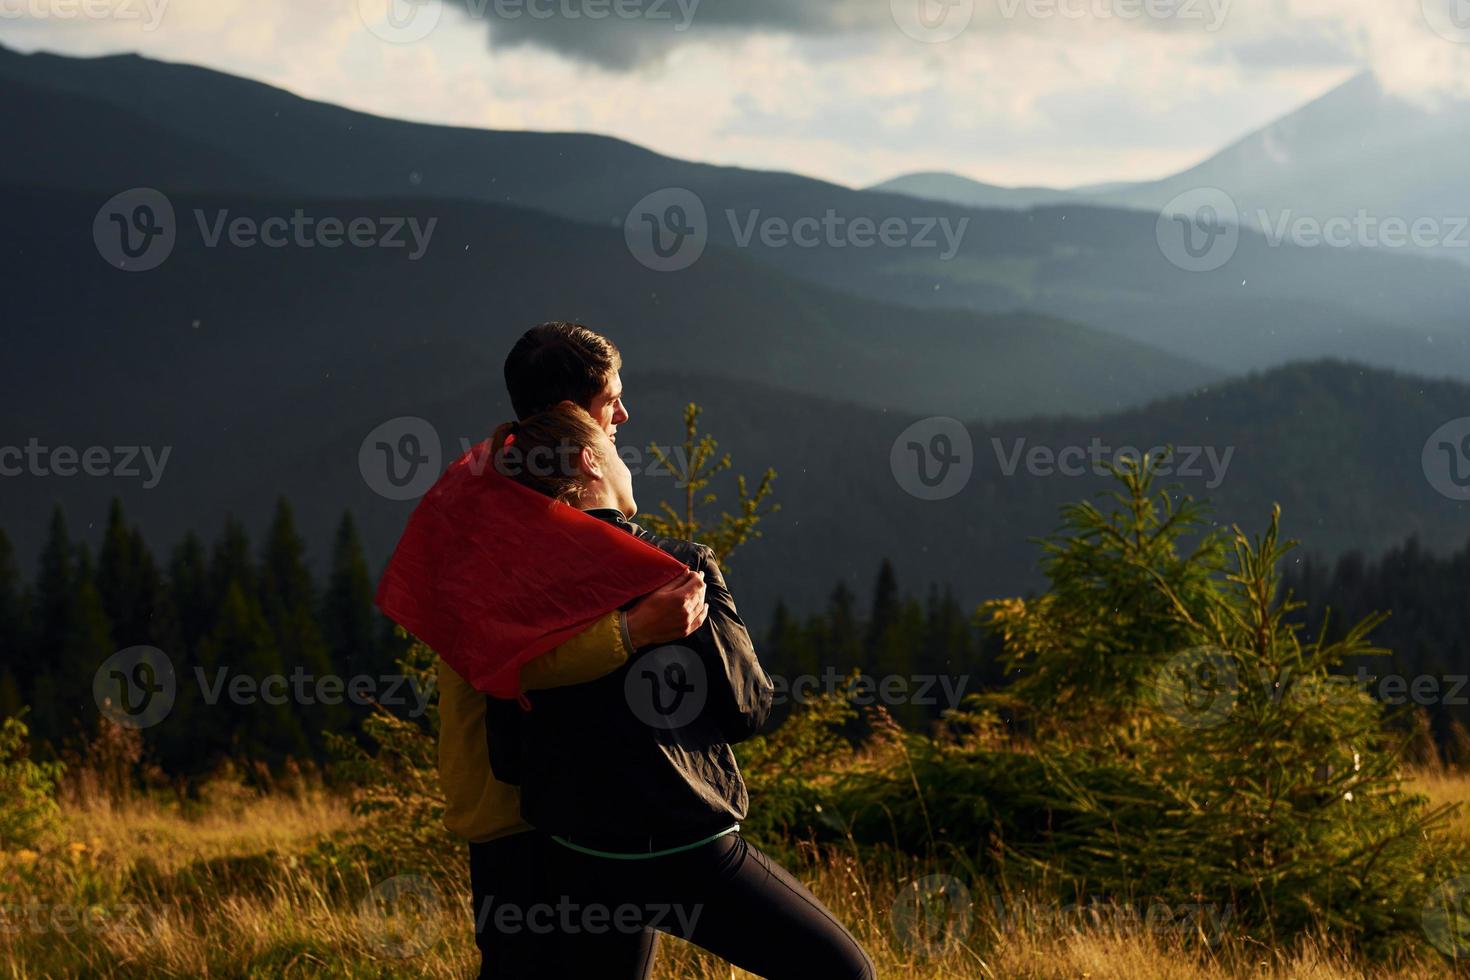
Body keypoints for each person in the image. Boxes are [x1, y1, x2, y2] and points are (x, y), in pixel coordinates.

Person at [485, 401, 876, 980]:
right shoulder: (680, 567)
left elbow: (509, 756)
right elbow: (747, 708)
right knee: (844, 972)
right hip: (690, 852)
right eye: (615, 449)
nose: (627, 460)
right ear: (591, 462)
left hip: (581, 860)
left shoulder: (510, 593)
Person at [433, 322, 709, 977]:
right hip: (518, 813)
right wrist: (636, 631)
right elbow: (504, 660)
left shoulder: (501, 482)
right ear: (569, 412)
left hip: (573, 804)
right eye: (611, 398)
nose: (623, 413)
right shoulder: (501, 508)